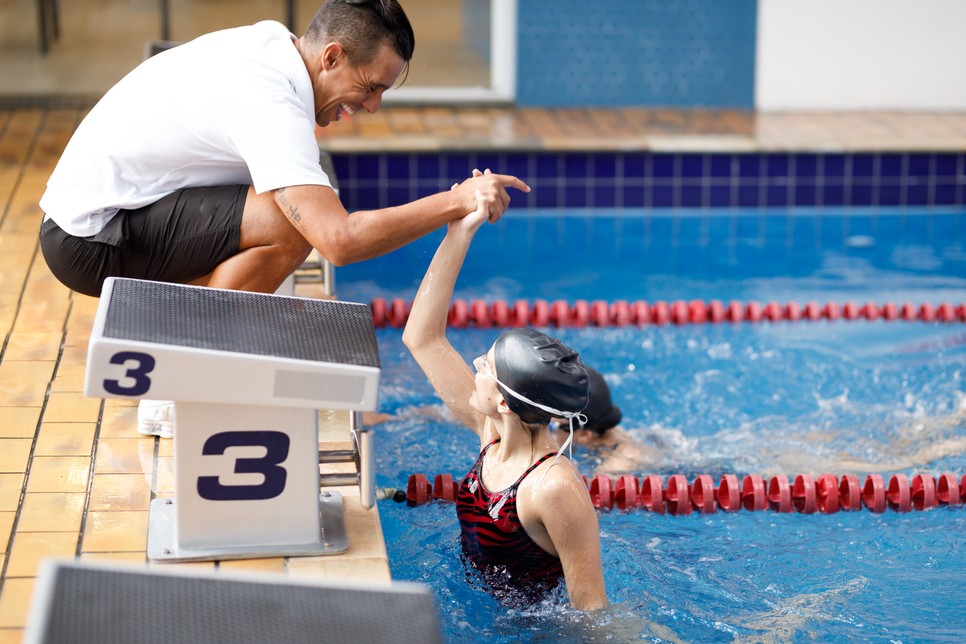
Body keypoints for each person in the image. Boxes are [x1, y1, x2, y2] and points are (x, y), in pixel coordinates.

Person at [38, 0, 528, 438]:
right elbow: (338, 241)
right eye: (370, 87)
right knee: (290, 224)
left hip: (109, 212)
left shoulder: (274, 48)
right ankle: (178, 390)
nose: (372, 106)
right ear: (331, 56)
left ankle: (175, 354)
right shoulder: (268, 100)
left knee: (293, 208)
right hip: (89, 237)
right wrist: (456, 200)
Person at [402, 181, 607, 611]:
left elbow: (591, 611)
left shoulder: (553, 487)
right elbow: (422, 338)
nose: (475, 363)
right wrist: (459, 232)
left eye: (486, 367)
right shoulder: (491, 435)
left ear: (503, 401)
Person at [551, 366, 658, 474]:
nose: (549, 432)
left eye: (553, 427)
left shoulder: (613, 469)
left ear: (584, 435)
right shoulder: (600, 426)